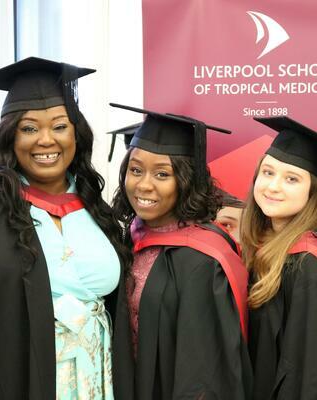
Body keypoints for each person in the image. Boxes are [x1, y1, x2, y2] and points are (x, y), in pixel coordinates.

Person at [0, 57, 129, 399]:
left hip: (96, 383)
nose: (46, 140)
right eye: (29, 128)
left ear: (77, 133)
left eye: (60, 126)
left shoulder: (95, 209)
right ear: (10, 137)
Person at [109, 103, 252, 400]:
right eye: (136, 170)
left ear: (186, 181)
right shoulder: (128, 236)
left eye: (162, 175)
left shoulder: (202, 258)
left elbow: (205, 373)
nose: (144, 185)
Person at [241, 116, 317, 399]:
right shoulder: (265, 249)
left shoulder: (311, 266)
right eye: (268, 172)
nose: (273, 187)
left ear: (311, 193)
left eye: (291, 179)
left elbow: (316, 377)